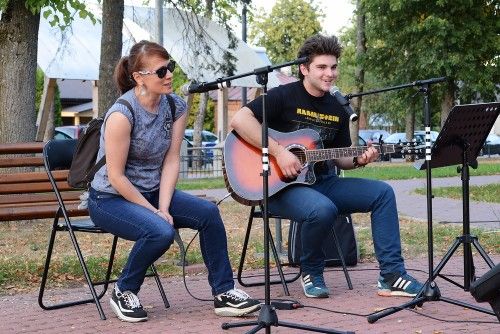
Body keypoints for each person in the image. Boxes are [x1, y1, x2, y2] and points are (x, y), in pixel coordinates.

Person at [230, 34, 423, 299]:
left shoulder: (338, 107)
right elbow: (240, 119)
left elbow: (339, 157)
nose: (329, 73)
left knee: (383, 193)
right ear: (304, 68)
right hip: (278, 188)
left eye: (333, 67)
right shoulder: (284, 95)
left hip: (322, 183)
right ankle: (312, 271)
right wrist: (280, 152)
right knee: (323, 209)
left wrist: (358, 159)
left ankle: (391, 275)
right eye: (321, 67)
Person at [88, 40, 260, 322]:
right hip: (110, 199)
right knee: (160, 232)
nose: (169, 75)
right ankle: (123, 290)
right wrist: (154, 211)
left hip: (154, 192)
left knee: (208, 213)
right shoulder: (121, 114)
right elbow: (117, 177)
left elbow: (171, 160)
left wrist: (164, 206)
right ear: (138, 77)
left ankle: (224, 292)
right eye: (160, 71)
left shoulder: (174, 105)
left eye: (170, 67)